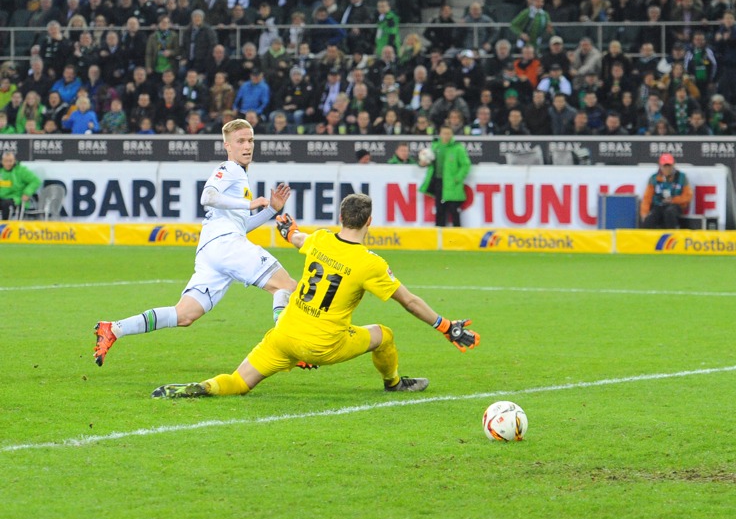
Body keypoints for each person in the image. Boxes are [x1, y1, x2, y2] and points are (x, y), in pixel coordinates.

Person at [150, 193, 480, 398]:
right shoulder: (370, 263)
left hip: (286, 334)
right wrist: (445, 325)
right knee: (384, 335)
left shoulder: (320, 239)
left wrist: (288, 228)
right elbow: (408, 301)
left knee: (239, 381)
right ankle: (394, 384)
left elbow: (297, 238)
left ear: (340, 218)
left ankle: (204, 387)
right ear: (369, 222)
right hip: (324, 345)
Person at [93, 119, 300, 367]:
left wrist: (271, 211)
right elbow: (207, 196)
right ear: (228, 145)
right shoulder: (230, 168)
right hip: (225, 246)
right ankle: (289, 348)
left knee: (184, 314)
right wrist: (250, 203)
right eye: (241, 141)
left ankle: (114, 329)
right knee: (286, 286)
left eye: (251, 140)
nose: (247, 146)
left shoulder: (239, 176)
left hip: (212, 250)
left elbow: (239, 226)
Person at [419, 123, 471, 227]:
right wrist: (422, 163)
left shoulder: (457, 148)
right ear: (440, 134)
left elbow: (466, 164)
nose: (446, 136)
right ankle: (439, 236)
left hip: (452, 184)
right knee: (439, 210)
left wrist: (458, 178)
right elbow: (429, 161)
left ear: (452, 134)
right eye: (444, 133)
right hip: (438, 182)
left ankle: (457, 236)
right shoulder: (435, 146)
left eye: (448, 134)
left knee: (453, 210)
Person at [640, 154, 694, 229]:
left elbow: (688, 196)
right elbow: (647, 198)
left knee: (669, 213)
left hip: (675, 206)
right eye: (665, 166)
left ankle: (671, 238)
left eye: (669, 166)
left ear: (673, 165)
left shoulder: (681, 177)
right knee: (650, 219)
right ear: (660, 166)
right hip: (659, 205)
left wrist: (673, 200)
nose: (667, 168)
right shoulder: (654, 178)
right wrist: (644, 213)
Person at [0, 152, 42, 220]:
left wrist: (27, 192)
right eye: (6, 161)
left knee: (6, 204)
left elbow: (36, 181)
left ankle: (4, 227)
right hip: (1, 197)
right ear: (2, 161)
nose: (8, 163)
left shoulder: (21, 170)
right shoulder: (1, 171)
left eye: (10, 161)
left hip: (16, 198)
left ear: (15, 161)